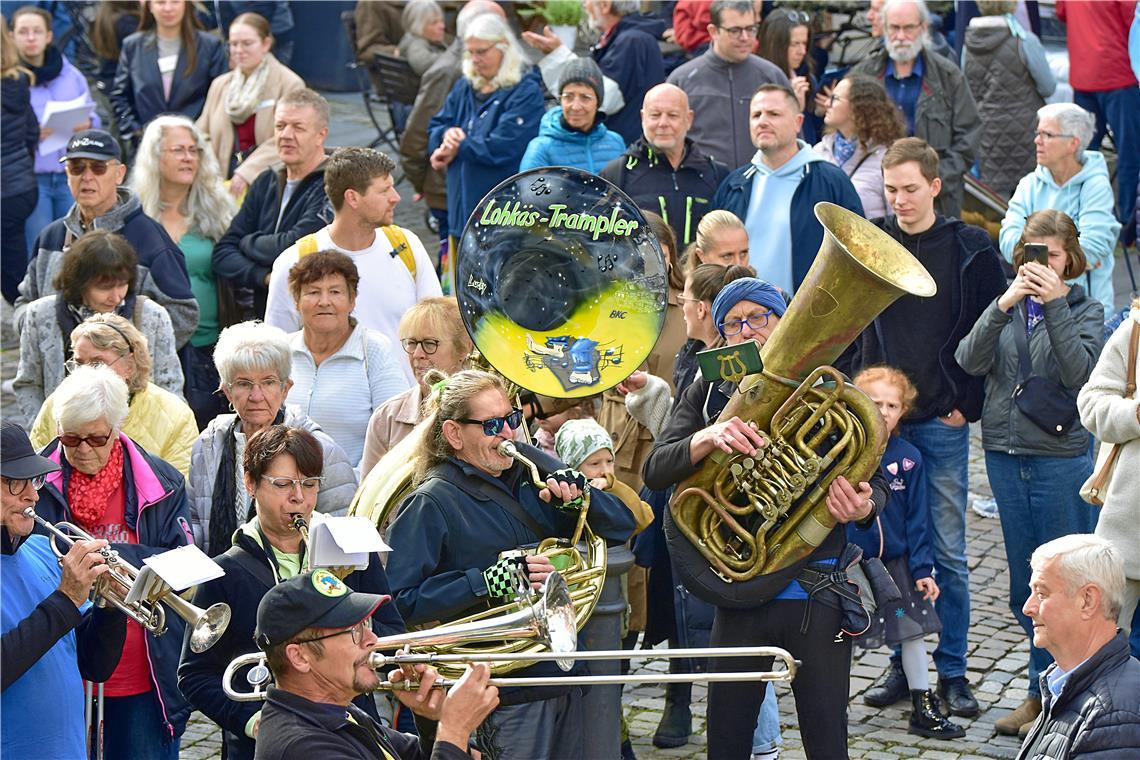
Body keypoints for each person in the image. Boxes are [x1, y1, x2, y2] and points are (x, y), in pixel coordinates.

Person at [642, 277, 889, 760]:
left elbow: (875, 480)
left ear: (782, 322)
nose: (748, 330)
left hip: (815, 590)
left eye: (761, 317)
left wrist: (863, 506)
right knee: (727, 742)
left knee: (827, 741)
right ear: (721, 337)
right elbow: (656, 468)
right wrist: (708, 439)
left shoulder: (826, 388)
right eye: (733, 324)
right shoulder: (707, 392)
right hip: (739, 594)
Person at [385, 369, 637, 759]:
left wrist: (577, 501)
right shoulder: (431, 502)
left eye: (512, 419)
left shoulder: (532, 479)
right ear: (454, 434)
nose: (507, 434)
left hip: (563, 673)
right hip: (501, 690)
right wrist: (486, 581)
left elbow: (622, 525)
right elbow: (398, 603)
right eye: (491, 425)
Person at [841, 137, 1005, 720]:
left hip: (939, 420)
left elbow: (995, 327)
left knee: (950, 553)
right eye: (891, 190)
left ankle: (953, 672)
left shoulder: (969, 246)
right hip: (879, 426)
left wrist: (969, 400)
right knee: (890, 554)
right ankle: (901, 665)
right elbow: (854, 326)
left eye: (911, 188)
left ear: (935, 186)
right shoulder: (875, 238)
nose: (900, 200)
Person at [957, 209, 1104, 736]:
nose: (1040, 265)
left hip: (1059, 462)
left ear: (1070, 260)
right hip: (1003, 454)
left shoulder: (1086, 308)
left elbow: (1079, 372)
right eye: (1031, 254)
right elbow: (969, 359)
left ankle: (1075, 696)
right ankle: (1039, 693)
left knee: (1071, 586)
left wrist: (1057, 304)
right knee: (1028, 585)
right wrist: (1003, 305)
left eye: (1052, 256)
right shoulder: (1009, 306)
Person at [178, 426, 405, 760]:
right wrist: (252, 721)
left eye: (310, 484)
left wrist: (356, 630)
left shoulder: (351, 548)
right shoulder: (226, 572)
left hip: (348, 727)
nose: (300, 498)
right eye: (283, 484)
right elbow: (195, 675)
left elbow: (392, 631)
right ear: (251, 484)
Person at [34, 365, 195, 760]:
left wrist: (110, 559)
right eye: (71, 438)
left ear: (118, 427)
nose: (83, 449)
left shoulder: (163, 480)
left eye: (95, 437)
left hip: (139, 667)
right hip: (60, 659)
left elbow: (186, 561)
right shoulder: (34, 481)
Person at [250, 570, 501, 759]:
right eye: (354, 631)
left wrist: (432, 720)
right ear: (300, 657)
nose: (373, 640)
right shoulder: (301, 746)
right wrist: (454, 729)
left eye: (366, 625)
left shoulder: (338, 712)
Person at [845, 367, 965, 740]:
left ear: (904, 410)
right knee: (841, 633)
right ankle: (833, 704)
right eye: (874, 402)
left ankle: (922, 705)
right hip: (849, 570)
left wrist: (923, 569)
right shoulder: (842, 452)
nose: (883, 411)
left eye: (892, 405)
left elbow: (918, 519)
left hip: (895, 572)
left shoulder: (909, 459)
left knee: (910, 630)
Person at [1, 421, 128, 759]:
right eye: (15, 483)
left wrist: (109, 608)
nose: (33, 494)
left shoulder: (43, 550)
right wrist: (66, 599)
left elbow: (94, 665)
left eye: (34, 480)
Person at [264, 147, 442, 381]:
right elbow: (276, 351)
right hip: (328, 413)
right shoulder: (294, 261)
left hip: (406, 410)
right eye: (385, 190)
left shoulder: (408, 245)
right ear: (353, 198)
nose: (396, 197)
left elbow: (438, 327)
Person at [15, 128, 199, 348]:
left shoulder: (149, 238)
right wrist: (42, 333)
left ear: (119, 174)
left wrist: (121, 353)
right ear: (67, 173)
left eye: (98, 167)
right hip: (59, 379)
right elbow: (24, 303)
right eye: (77, 167)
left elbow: (184, 314)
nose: (87, 177)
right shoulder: (50, 236)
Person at [188, 321, 357, 557]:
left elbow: (342, 540)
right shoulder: (208, 446)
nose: (256, 396)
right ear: (227, 391)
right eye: (244, 384)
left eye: (268, 382)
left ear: (286, 388)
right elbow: (195, 527)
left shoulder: (320, 450)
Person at [14, 231, 182, 428]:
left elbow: (170, 386)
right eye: (105, 288)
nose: (116, 296)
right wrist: (48, 430)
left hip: (138, 443)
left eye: (122, 285)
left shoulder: (152, 316)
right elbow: (28, 383)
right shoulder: (40, 314)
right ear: (79, 283)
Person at [130, 114, 236, 426]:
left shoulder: (219, 209)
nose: (189, 157)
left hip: (210, 348)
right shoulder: (136, 215)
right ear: (154, 156)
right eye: (178, 150)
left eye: (194, 150)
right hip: (152, 348)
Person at [711, 84, 863, 295]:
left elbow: (858, 255)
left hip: (812, 319)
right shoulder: (733, 184)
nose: (762, 121)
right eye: (756, 115)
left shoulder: (831, 182)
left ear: (798, 122)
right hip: (742, 322)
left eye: (773, 114)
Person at [850, 0, 980, 219]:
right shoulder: (864, 75)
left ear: (923, 27)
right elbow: (848, 133)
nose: (901, 36)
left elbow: (968, 136)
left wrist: (932, 181)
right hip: (878, 203)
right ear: (885, 27)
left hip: (937, 204)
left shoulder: (948, 76)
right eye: (894, 28)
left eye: (908, 28)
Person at [212, 88, 335, 318]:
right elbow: (222, 253)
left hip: (311, 320)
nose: (286, 135)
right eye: (280, 126)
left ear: (321, 134)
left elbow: (294, 248)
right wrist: (264, 277)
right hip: (259, 317)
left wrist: (247, 242)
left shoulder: (333, 184)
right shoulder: (265, 180)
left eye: (298, 127)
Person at [399, 1, 506, 265]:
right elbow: (416, 135)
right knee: (453, 266)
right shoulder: (449, 71)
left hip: (468, 188)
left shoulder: (499, 71)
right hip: (448, 190)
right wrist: (421, 183)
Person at [1015, 534, 1140, 758]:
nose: (1027, 607)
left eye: (1042, 594)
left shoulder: (1112, 715)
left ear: (1087, 601)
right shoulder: (1063, 680)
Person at [30, 313, 197, 479]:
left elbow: (178, 490)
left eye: (97, 364)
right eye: (79, 364)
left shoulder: (175, 416)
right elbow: (35, 476)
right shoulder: (56, 404)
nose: (86, 373)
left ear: (130, 365)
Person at [285, 251, 409, 471]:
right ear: (296, 301)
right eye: (313, 292)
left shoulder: (374, 350)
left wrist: (356, 485)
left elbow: (395, 431)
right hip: (286, 492)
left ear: (352, 301)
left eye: (335, 292)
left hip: (358, 491)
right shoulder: (282, 351)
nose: (324, 302)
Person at [428, 14, 543, 251]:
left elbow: (504, 148)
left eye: (482, 51)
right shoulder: (466, 85)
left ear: (504, 48)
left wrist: (460, 145)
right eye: (470, 52)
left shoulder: (525, 91)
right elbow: (437, 124)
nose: (475, 59)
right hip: (460, 213)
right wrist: (445, 137)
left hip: (500, 218)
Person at [999, 103, 1122, 316]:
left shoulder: (1095, 186)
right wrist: (1068, 257)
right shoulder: (1029, 184)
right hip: (1033, 309)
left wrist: (1031, 258)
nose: (1037, 140)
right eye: (1038, 133)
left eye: (1047, 134)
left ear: (1072, 144)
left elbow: (1092, 248)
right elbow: (1007, 240)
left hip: (1084, 310)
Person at [10, 5, 99, 256]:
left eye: (37, 31)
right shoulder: (9, 79)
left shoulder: (71, 75)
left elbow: (93, 116)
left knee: (76, 247)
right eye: (23, 31)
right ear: (12, 37)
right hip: (32, 179)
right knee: (41, 250)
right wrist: (30, 132)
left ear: (49, 36)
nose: (30, 38)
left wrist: (88, 124)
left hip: (71, 175)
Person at [1078, 300, 1140, 659]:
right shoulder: (1135, 329)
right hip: (1128, 531)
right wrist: (1134, 414)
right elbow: (1091, 403)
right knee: (1105, 649)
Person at [599, 83, 729, 249]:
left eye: (673, 115)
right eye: (655, 115)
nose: (663, 123)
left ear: (689, 119)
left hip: (699, 274)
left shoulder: (716, 174)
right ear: (642, 118)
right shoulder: (616, 175)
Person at [523, 0, 666, 145]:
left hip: (624, 147)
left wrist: (558, 54)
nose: (584, 6)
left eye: (587, 1)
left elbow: (602, 98)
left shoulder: (632, 41)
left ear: (605, 5)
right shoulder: (629, 37)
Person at [667, 0, 790, 168]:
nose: (745, 38)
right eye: (735, 30)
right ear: (713, 31)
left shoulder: (772, 76)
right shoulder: (682, 79)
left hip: (761, 184)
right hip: (702, 187)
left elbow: (793, 138)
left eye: (751, 29)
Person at [360, 297, 473, 477]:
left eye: (430, 344)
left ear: (463, 349)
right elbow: (369, 497)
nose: (417, 354)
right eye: (411, 343)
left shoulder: (495, 411)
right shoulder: (387, 418)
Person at [197, 12, 304, 198]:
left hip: (267, 184)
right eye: (233, 44)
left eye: (247, 43)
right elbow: (201, 132)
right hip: (221, 183)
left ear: (266, 44)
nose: (239, 50)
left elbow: (289, 139)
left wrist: (247, 172)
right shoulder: (220, 85)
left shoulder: (290, 84)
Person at [1056, 0, 1139, 231]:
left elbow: (1062, 13)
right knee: (1129, 152)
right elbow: (1134, 20)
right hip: (1119, 75)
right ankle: (1128, 223)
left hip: (1084, 75)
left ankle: (1085, 216)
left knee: (1083, 154)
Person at [962, 0, 1056, 198]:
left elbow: (968, 93)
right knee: (1034, 204)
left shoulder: (968, 45)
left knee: (999, 210)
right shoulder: (1024, 40)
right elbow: (1048, 87)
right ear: (1012, 5)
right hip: (1028, 134)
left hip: (989, 138)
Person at [109, 0, 227, 146]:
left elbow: (220, 97)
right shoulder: (133, 46)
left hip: (196, 143)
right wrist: (136, 132)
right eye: (161, 2)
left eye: (175, 2)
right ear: (150, 6)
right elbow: (120, 97)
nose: (168, 8)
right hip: (146, 145)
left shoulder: (210, 46)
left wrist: (198, 133)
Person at [814, 74, 906, 220]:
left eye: (835, 99)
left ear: (858, 107)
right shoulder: (818, 153)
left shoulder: (889, 158)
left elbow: (898, 221)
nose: (826, 104)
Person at [519, 58, 626, 174]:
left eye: (585, 97)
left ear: (598, 103)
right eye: (568, 97)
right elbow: (528, 190)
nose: (575, 107)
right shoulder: (541, 148)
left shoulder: (616, 142)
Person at [1, 16, 38, 306]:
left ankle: (23, 312)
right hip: (20, 185)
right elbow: (31, 133)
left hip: (8, 187)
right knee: (12, 255)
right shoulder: (18, 81)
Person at [757, 7, 820, 145]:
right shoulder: (758, 79)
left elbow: (815, 132)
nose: (802, 51)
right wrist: (792, 107)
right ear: (776, 45)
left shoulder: (807, 77)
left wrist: (822, 111)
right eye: (795, 44)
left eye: (804, 43)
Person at [399, 0, 448, 77]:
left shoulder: (428, 41)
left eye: (441, 21)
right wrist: (455, 58)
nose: (442, 26)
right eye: (434, 23)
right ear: (418, 25)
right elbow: (423, 64)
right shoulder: (415, 44)